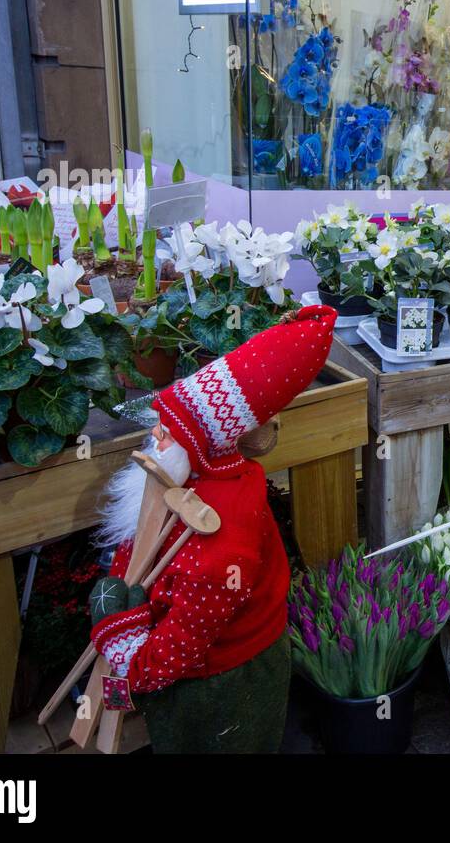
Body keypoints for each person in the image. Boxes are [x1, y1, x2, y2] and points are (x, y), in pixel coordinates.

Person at [88, 305, 336, 752]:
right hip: (198, 664)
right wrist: (127, 598)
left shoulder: (222, 526)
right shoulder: (193, 474)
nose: (156, 437)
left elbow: (196, 622)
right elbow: (144, 530)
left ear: (203, 440)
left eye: (169, 429)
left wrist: (135, 659)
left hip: (221, 677)